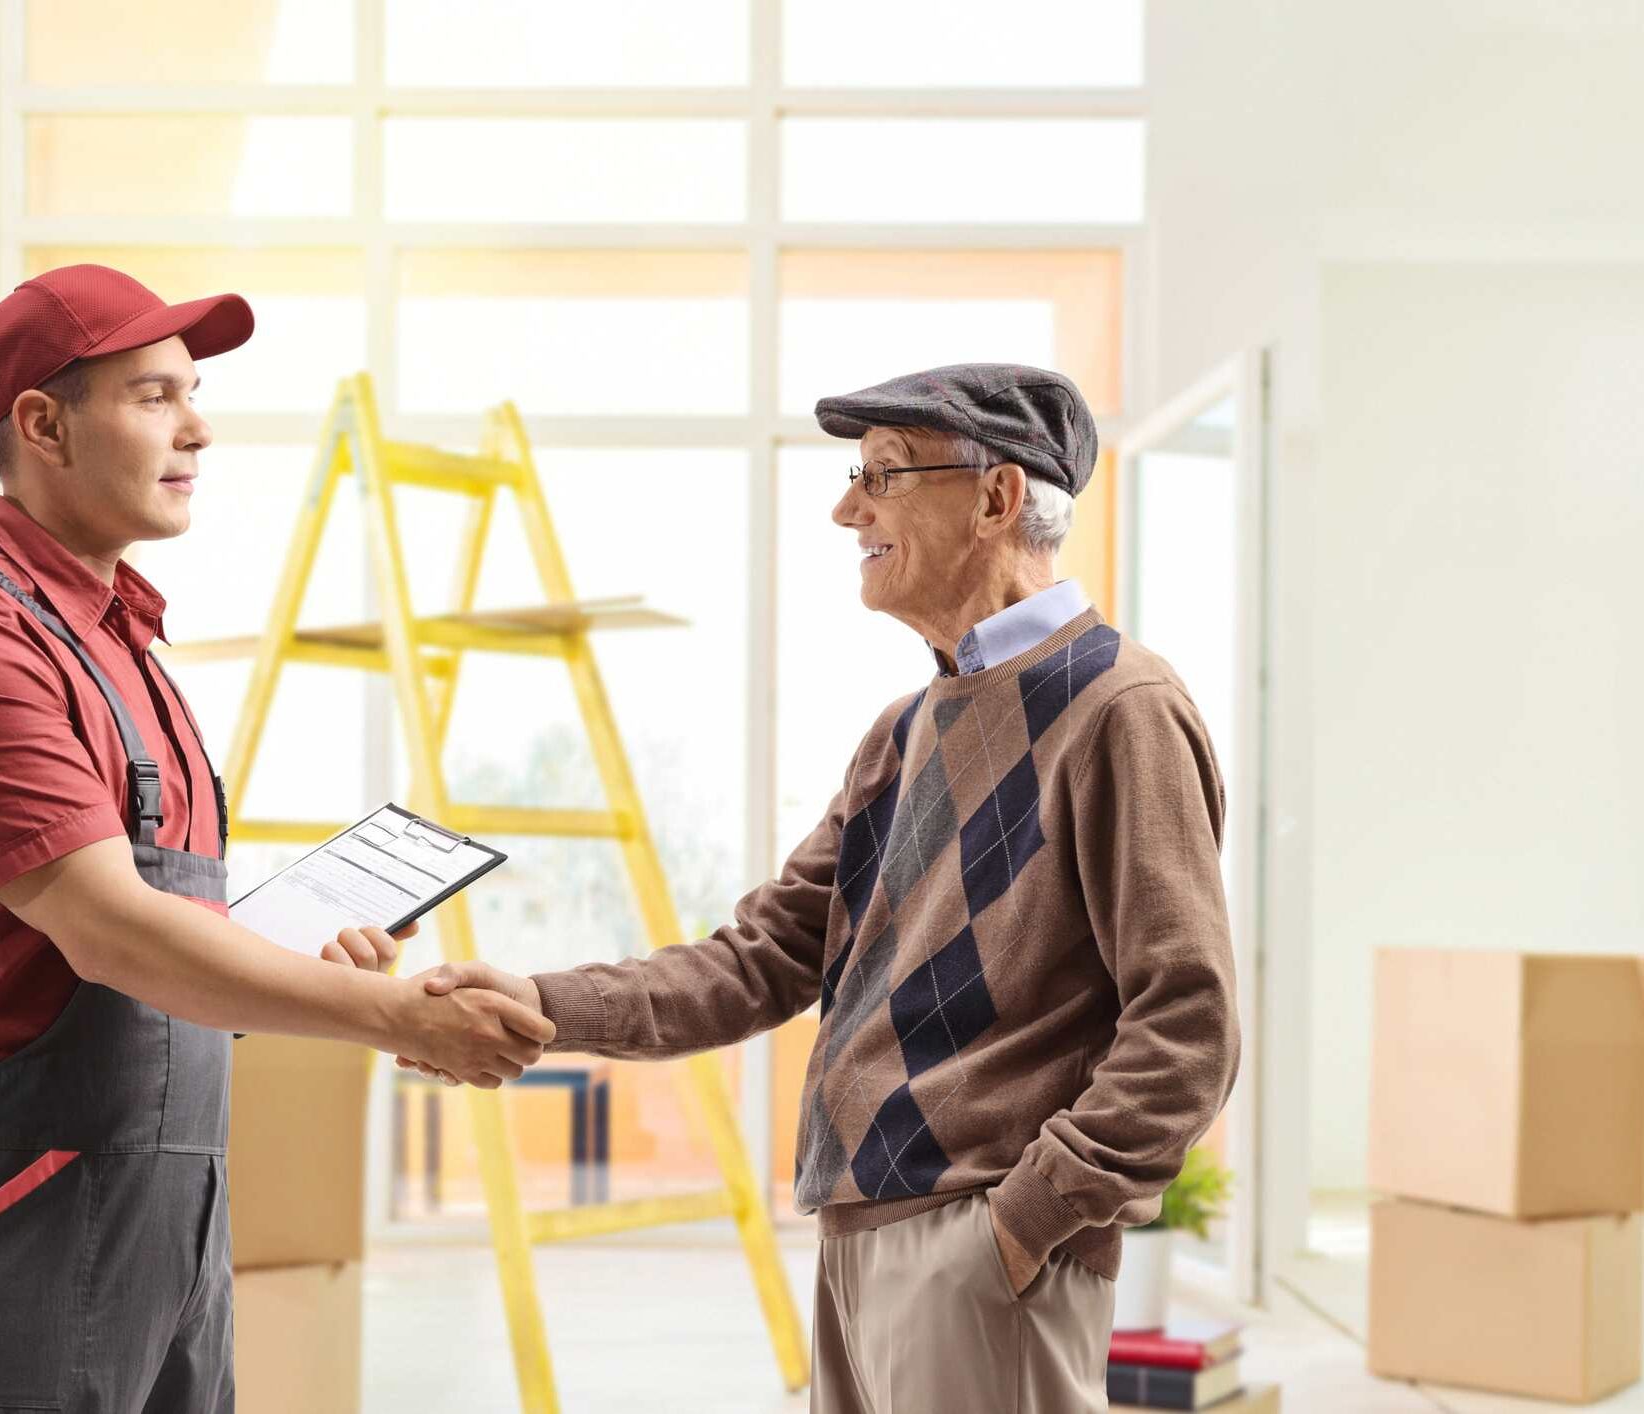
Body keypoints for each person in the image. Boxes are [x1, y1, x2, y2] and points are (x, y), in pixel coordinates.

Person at [416, 364, 1242, 1413]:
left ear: (997, 497)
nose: (847, 507)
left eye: (884, 476)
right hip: (861, 1237)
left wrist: (1025, 1222)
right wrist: (539, 1003)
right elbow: (757, 959)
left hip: (978, 1246)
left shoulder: (1121, 706)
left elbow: (1189, 1023)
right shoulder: (903, 731)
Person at [0, 264, 552, 1411]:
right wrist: (392, 1017)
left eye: (194, 392)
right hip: (9, 1218)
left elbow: (162, 930)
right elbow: (111, 929)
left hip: (171, 1222)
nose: (199, 428)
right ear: (42, 425)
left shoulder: (126, 648)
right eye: (155, 395)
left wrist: (290, 960)